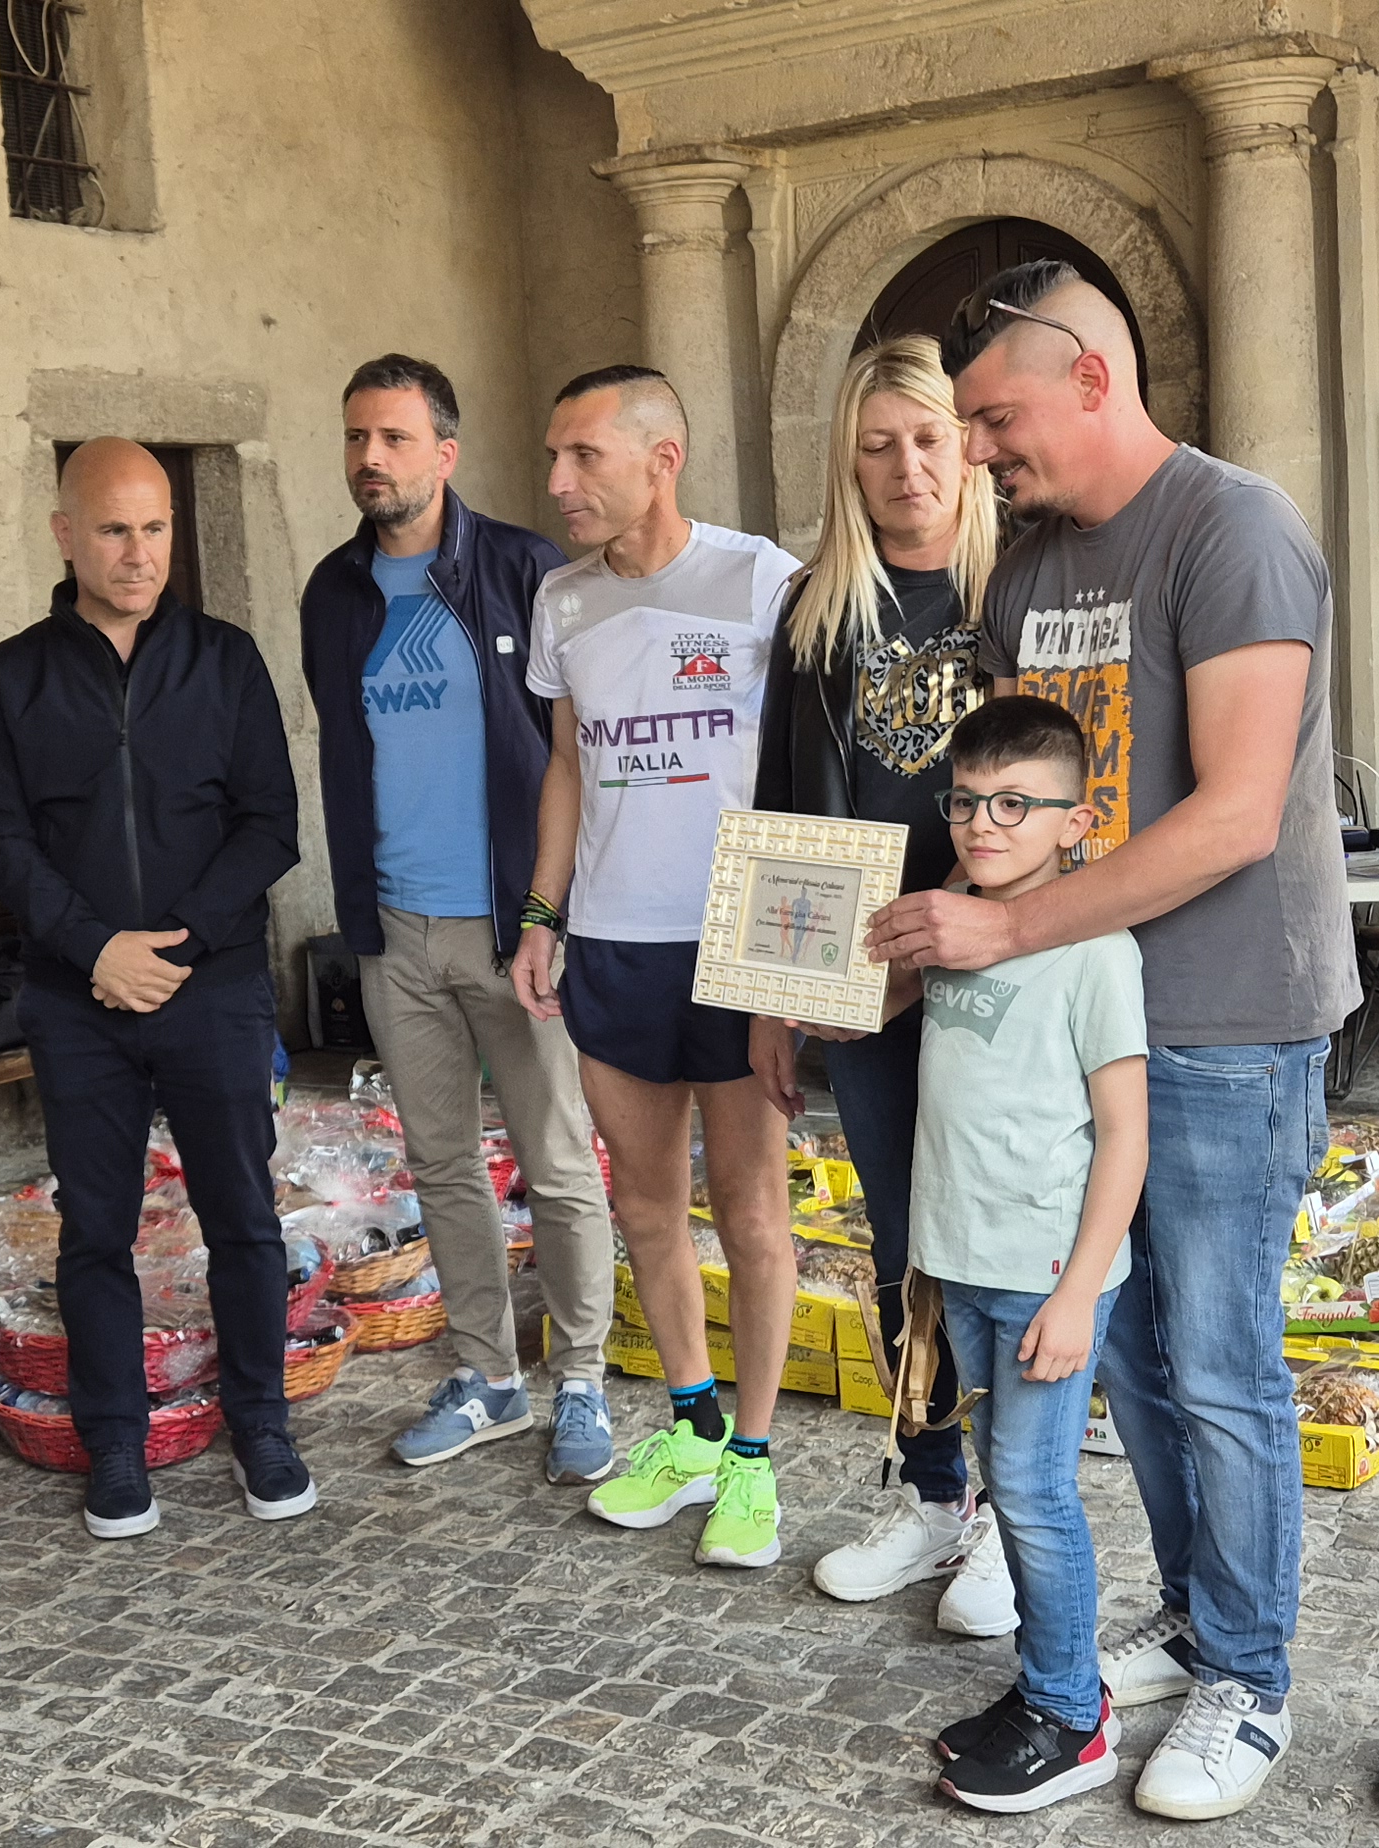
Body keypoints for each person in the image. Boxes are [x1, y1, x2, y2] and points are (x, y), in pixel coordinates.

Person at [880, 260, 1356, 1820]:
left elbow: (1235, 813)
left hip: (1227, 1019)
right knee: (1135, 1367)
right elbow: (1024, 796)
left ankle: (1253, 1679)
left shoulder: (1234, 528)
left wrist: (1010, 934)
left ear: (1091, 378)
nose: (979, 453)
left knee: (1219, 1368)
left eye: (996, 419)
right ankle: (1202, 1619)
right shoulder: (1024, 567)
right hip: (1076, 1021)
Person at [0, 438, 310, 1541]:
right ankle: (113, 1439)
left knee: (243, 1217)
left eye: (155, 528)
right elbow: (0, 839)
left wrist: (179, 943)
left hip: (213, 989)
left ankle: (262, 1423)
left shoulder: (226, 660)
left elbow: (270, 825)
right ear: (65, 534)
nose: (138, 553)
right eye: (114, 529)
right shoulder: (16, 673)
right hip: (80, 999)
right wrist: (94, 949)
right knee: (94, 1229)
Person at [293, 355, 624, 1482]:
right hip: (394, 931)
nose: (369, 459)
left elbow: (571, 753)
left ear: (444, 452)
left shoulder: (525, 570)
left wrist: (550, 911)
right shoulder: (334, 593)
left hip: (512, 927)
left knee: (558, 1160)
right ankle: (489, 1377)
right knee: (441, 1164)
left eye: (393, 438)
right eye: (355, 437)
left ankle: (581, 1377)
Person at [507, 366, 804, 1570]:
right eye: (554, 456)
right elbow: (569, 764)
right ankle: (689, 1429)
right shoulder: (561, 599)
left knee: (752, 1209)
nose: (558, 481)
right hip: (614, 942)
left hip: (734, 939)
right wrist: (544, 912)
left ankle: (753, 1460)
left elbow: (802, 768)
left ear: (661, 458)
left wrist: (793, 950)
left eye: (584, 455)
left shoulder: (763, 580)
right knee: (642, 1203)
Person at [747, 335, 1014, 1634]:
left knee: (998, 1248)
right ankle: (932, 1491)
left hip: (1004, 968)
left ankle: (1017, 1516)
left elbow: (1053, 790)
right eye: (878, 445)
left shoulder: (1023, 586)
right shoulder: (818, 614)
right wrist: (774, 994)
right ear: (846, 466)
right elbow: (786, 810)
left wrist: (941, 944)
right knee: (905, 1246)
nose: (908, 467)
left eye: (928, 438)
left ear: (968, 447)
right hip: (861, 984)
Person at [904, 697, 1149, 1814]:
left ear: (1076, 822)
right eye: (965, 803)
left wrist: (1079, 1290)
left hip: (1046, 1274)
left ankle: (1070, 1714)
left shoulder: (1096, 949)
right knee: (1004, 1478)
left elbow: (1125, 1135)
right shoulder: (951, 922)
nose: (982, 825)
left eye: (1015, 805)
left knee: (1035, 1493)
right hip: (963, 1258)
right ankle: (1043, 1687)